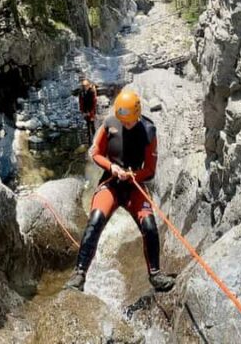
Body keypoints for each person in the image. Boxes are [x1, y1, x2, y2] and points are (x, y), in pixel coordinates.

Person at [66, 89, 175, 293]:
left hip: (134, 185)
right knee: (95, 220)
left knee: (150, 225)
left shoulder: (149, 131)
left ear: (137, 115)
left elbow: (150, 170)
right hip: (112, 182)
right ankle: (79, 274)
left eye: (130, 121)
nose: (125, 124)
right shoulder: (110, 124)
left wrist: (133, 175)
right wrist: (112, 168)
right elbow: (96, 153)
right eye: (122, 120)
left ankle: (155, 275)